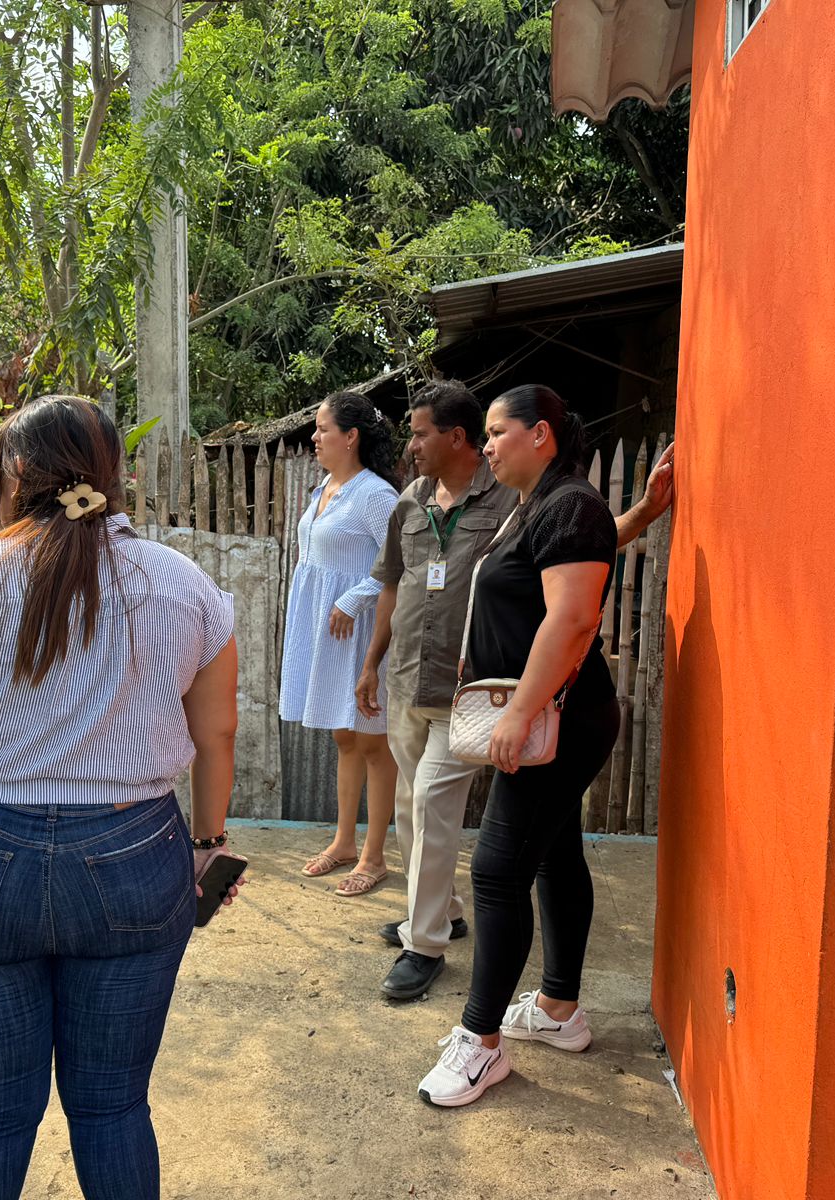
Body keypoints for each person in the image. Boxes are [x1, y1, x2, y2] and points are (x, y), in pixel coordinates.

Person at [0, 395, 240, 1199]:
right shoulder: (184, 587)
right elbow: (217, 736)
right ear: (116, 471)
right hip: (133, 856)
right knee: (113, 1108)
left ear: (13, 472)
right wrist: (209, 845)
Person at [416, 384, 671, 1108]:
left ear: (542, 435)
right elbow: (575, 554)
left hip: (555, 719)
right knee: (555, 855)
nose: (487, 444)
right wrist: (642, 516)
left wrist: (520, 712)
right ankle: (559, 1011)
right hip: (543, 715)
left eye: (498, 431)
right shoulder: (548, 506)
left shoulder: (568, 503)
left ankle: (480, 1044)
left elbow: (574, 616)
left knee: (497, 872)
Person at [355, 381, 517, 999]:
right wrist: (372, 664)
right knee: (408, 806)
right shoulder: (410, 501)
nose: (411, 444)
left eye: (421, 433)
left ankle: (424, 945)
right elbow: (391, 586)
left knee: (430, 804)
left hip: (465, 689)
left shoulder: (508, 499)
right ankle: (443, 911)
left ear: (456, 437)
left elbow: (577, 548)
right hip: (406, 679)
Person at [280, 390, 403, 897]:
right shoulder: (325, 487)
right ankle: (344, 842)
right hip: (328, 631)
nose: (314, 437)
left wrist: (354, 598)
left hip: (364, 631)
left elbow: (400, 560)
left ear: (350, 437)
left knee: (373, 740)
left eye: (323, 429)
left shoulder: (375, 495)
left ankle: (374, 856)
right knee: (345, 736)